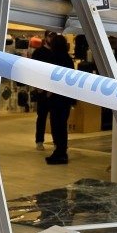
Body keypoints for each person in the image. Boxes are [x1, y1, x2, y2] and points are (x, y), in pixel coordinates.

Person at [45, 33, 74, 165]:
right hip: (66, 97)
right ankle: (61, 150)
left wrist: (48, 92)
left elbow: (51, 76)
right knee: (62, 125)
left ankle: (60, 151)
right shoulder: (68, 59)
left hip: (56, 97)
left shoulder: (53, 57)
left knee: (57, 125)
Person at [31, 31, 55, 150]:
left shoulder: (57, 52)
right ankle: (39, 140)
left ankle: (56, 141)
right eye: (50, 36)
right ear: (46, 38)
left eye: (54, 36)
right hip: (42, 89)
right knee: (42, 116)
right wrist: (37, 86)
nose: (52, 38)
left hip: (54, 90)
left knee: (55, 117)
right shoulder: (38, 52)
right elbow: (33, 69)